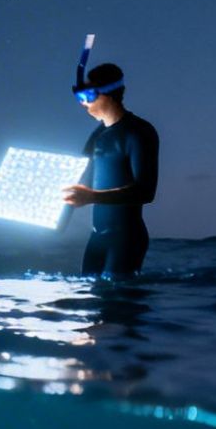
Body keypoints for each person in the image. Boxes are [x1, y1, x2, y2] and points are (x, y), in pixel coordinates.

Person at [62, 62, 160, 277]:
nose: (82, 104)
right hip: (96, 238)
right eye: (79, 97)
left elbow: (146, 191)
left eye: (86, 97)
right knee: (90, 302)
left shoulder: (139, 132)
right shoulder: (97, 136)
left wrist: (92, 196)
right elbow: (81, 181)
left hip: (125, 238)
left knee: (117, 305)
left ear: (107, 95)